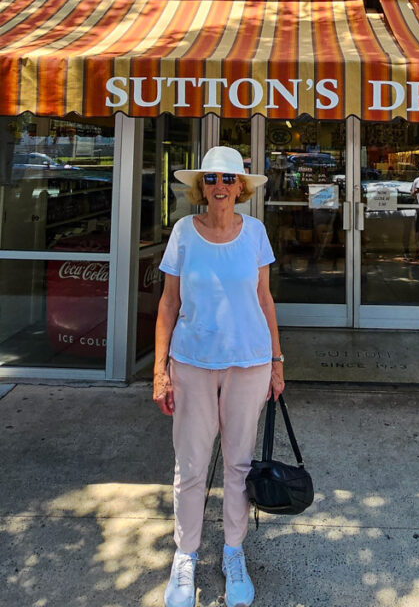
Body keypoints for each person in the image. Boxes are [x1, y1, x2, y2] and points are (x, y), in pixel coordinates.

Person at [153, 146, 285, 607]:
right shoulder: (183, 233)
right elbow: (169, 303)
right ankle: (184, 557)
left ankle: (233, 552)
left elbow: (265, 298)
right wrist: (159, 370)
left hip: (248, 363)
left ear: (241, 188)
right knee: (189, 466)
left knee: (239, 465)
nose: (221, 187)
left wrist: (277, 360)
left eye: (229, 180)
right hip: (191, 363)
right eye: (212, 179)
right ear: (201, 187)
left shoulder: (256, 233)